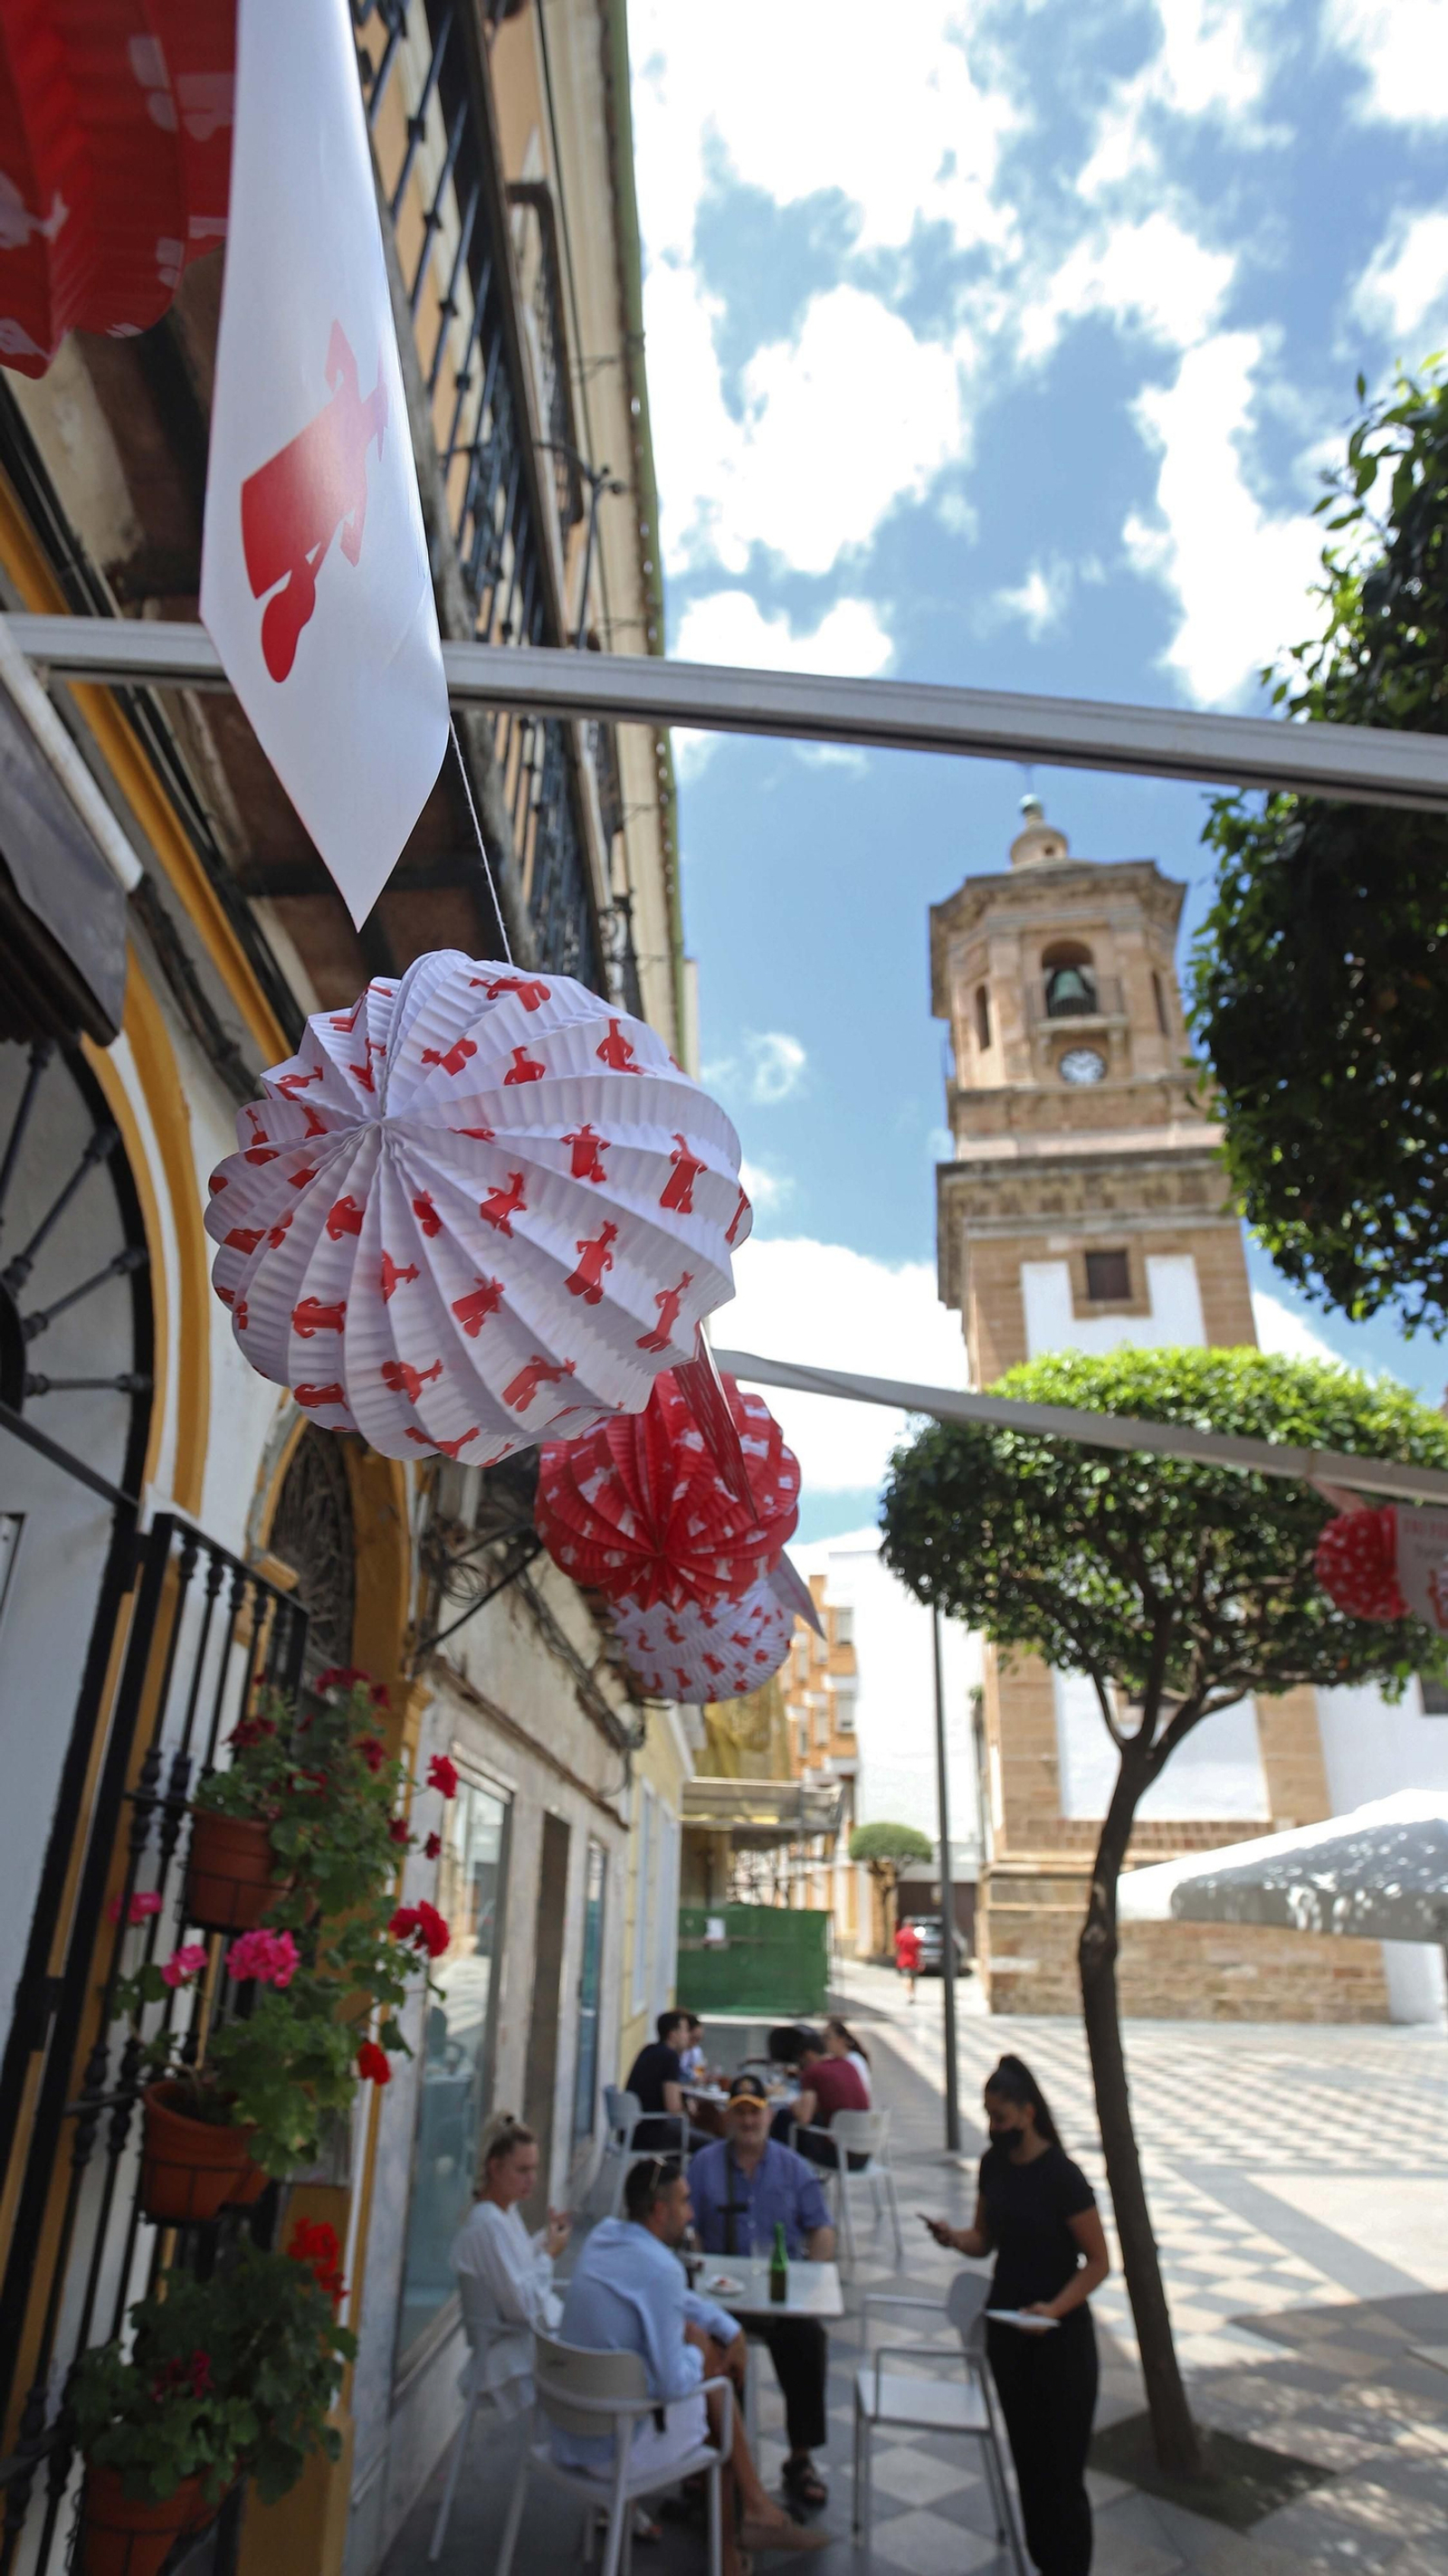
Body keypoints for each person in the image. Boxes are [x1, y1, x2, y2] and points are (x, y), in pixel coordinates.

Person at [557, 2156, 828, 2570]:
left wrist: (726, 2328)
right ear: (660, 2211)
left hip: (566, 2427)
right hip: (610, 2448)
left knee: (708, 2374)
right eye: (684, 2203)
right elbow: (671, 2384)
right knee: (715, 2428)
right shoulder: (662, 2268)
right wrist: (700, 2352)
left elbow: (674, 2300)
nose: (691, 2213)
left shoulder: (605, 2237)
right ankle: (735, 2546)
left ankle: (753, 2514)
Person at [926, 2054, 1110, 2576]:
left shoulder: (1063, 2177)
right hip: (1008, 2334)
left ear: (1028, 2113)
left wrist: (1053, 2309)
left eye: (1001, 2118)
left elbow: (1098, 2263)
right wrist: (952, 2237)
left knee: (1062, 2474)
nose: (994, 2128)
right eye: (988, 2117)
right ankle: (1040, 2562)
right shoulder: (993, 2164)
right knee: (1029, 2466)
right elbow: (984, 2241)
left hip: (1060, 2340)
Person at [688, 2075, 835, 2513]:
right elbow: (686, 2221)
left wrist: (812, 2275)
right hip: (722, 2299)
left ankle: (801, 2457)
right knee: (706, 2347)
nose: (749, 2120)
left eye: (756, 2111)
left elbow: (821, 2226)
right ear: (728, 2118)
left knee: (808, 2341)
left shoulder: (793, 2167)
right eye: (741, 2112)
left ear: (769, 2116)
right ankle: (721, 2454)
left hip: (777, 2294)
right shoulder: (704, 2165)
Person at [449, 2115, 568, 2419]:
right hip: (514, 2347)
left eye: (534, 2169)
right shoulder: (487, 2225)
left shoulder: (503, 2213)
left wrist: (547, 2239)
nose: (532, 2179)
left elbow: (518, 2265)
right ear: (495, 2167)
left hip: (530, 2334)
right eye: (522, 2170)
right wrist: (549, 2255)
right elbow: (524, 2306)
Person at [770, 2030, 868, 2171]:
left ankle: (782, 2174)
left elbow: (804, 2118)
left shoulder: (813, 2072)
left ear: (808, 2055)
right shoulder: (848, 2065)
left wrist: (793, 2104)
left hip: (840, 2155)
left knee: (784, 2118)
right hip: (864, 2152)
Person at [625, 2008, 710, 2152]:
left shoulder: (648, 2050)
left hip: (631, 2129)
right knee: (713, 2146)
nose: (687, 2036)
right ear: (673, 2034)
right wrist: (687, 2108)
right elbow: (673, 2108)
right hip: (649, 2133)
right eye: (684, 2031)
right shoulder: (670, 2058)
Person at [824, 2017, 872, 2104]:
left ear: (840, 2039)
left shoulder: (854, 2060)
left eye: (827, 2037)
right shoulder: (833, 2060)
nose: (824, 2041)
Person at [893, 1916, 921, 2001]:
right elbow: (919, 1949)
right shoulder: (915, 1934)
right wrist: (921, 1961)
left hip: (903, 1959)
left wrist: (896, 1958)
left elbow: (897, 1947)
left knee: (906, 1977)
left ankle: (909, 1994)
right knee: (913, 1978)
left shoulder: (900, 1934)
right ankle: (912, 1993)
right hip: (913, 1959)